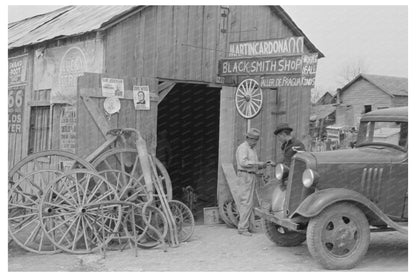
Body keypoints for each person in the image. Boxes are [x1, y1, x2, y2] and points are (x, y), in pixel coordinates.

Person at [235, 128, 271, 236]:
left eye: (256, 140)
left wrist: (258, 171)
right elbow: (243, 163)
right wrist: (260, 164)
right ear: (247, 138)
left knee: (250, 203)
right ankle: (242, 228)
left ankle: (248, 226)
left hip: (250, 175)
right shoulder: (243, 148)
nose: (255, 142)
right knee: (246, 202)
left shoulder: (252, 149)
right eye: (253, 139)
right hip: (245, 176)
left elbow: (252, 165)